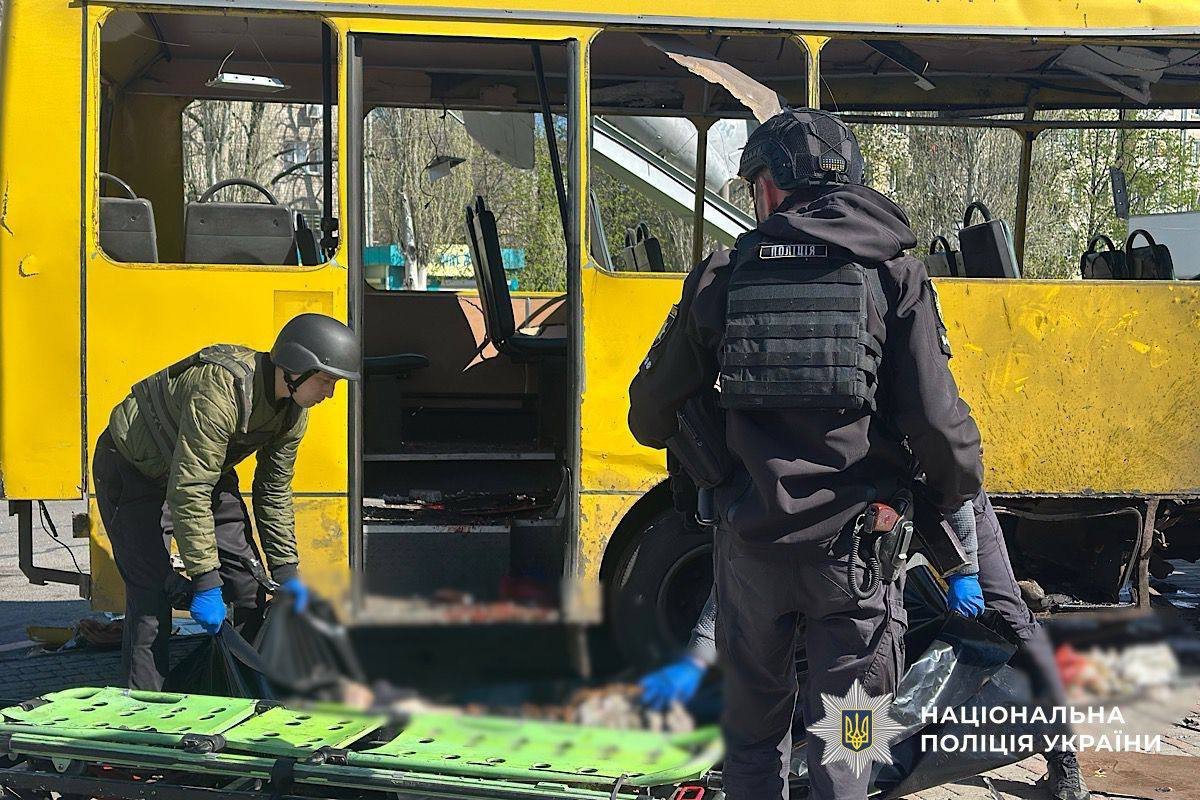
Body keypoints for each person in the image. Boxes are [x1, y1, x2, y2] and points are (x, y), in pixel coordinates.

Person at [628, 107, 984, 800]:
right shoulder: (894, 275)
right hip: (859, 558)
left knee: (752, 741)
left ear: (770, 185)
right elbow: (938, 426)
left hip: (751, 551)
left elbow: (649, 414)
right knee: (850, 746)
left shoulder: (723, 275)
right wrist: (949, 506)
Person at [640, 487, 1089, 800]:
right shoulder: (779, 484)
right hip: (859, 534)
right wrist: (695, 661)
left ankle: (1062, 750)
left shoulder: (875, 398)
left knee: (1011, 618)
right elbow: (732, 595)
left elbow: (946, 451)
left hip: (940, 499)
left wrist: (963, 566)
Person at [92, 313, 361, 691]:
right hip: (133, 469)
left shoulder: (294, 413)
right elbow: (190, 490)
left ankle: (237, 690)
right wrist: (205, 581)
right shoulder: (221, 391)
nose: (329, 393)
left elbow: (273, 490)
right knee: (152, 599)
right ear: (296, 368)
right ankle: (144, 710)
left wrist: (286, 572)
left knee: (250, 587)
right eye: (326, 380)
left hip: (200, 469)